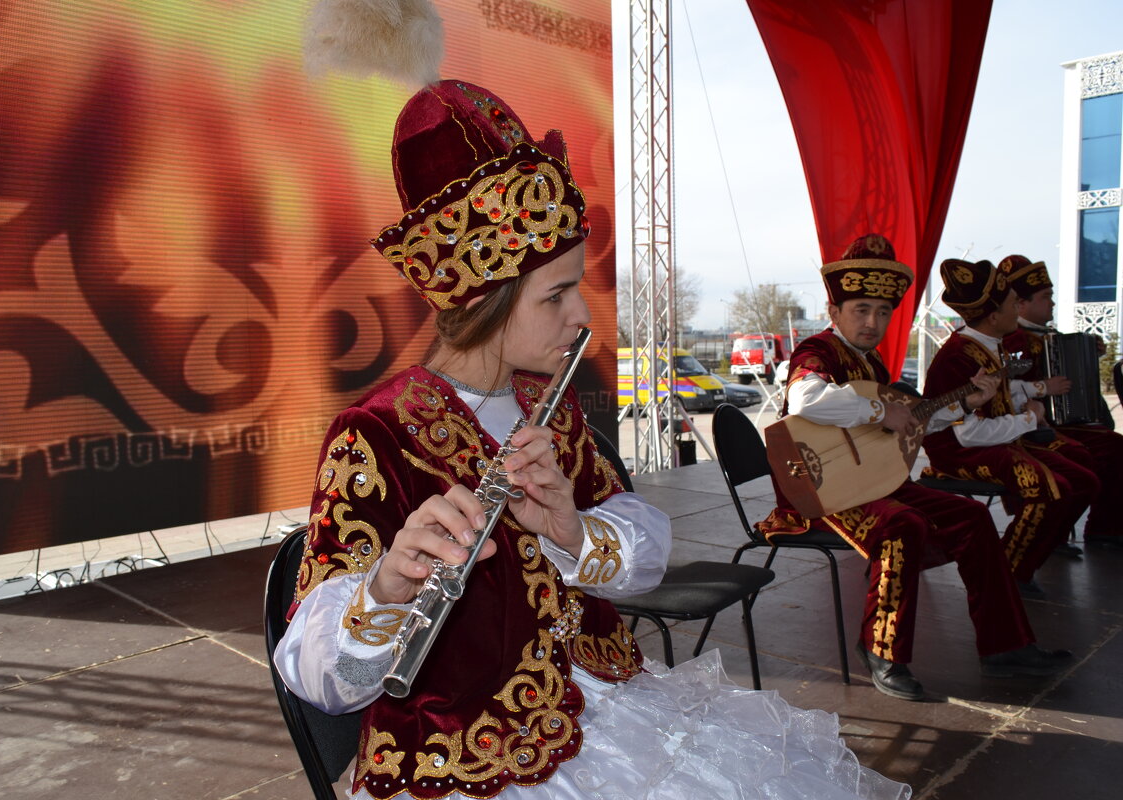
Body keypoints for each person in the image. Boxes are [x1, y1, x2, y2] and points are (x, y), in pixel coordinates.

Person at [274, 75, 912, 800]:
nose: (582, 316)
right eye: (556, 295)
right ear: (485, 298)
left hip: (608, 710)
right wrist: (386, 589)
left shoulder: (548, 408)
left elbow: (645, 554)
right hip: (466, 761)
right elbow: (315, 679)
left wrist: (575, 534)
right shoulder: (376, 434)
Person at [759, 235, 1068, 703]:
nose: (872, 322)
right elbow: (806, 398)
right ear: (834, 309)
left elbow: (909, 420)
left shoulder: (872, 363)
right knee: (901, 526)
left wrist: (964, 402)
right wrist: (880, 413)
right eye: (861, 310)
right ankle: (882, 650)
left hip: (874, 480)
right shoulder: (816, 350)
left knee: (973, 517)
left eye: (882, 312)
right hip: (820, 492)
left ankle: (1006, 646)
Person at [921, 259, 1099, 596]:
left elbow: (1001, 396)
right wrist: (1029, 418)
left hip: (996, 441)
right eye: (1012, 305)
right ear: (993, 316)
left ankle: (1032, 556)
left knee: (1083, 480)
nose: (1016, 310)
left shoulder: (987, 344)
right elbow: (968, 433)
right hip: (958, 452)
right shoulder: (959, 355)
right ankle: (1008, 573)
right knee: (1048, 487)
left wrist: (1034, 394)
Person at [999, 254, 1123, 550]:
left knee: (1111, 445)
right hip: (1029, 427)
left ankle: (1095, 527)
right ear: (1021, 304)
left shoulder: (1049, 336)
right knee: (1107, 449)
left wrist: (1089, 353)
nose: (1052, 303)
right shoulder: (1013, 340)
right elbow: (1003, 390)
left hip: (1057, 423)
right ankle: (1071, 529)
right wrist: (1043, 388)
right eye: (1046, 297)